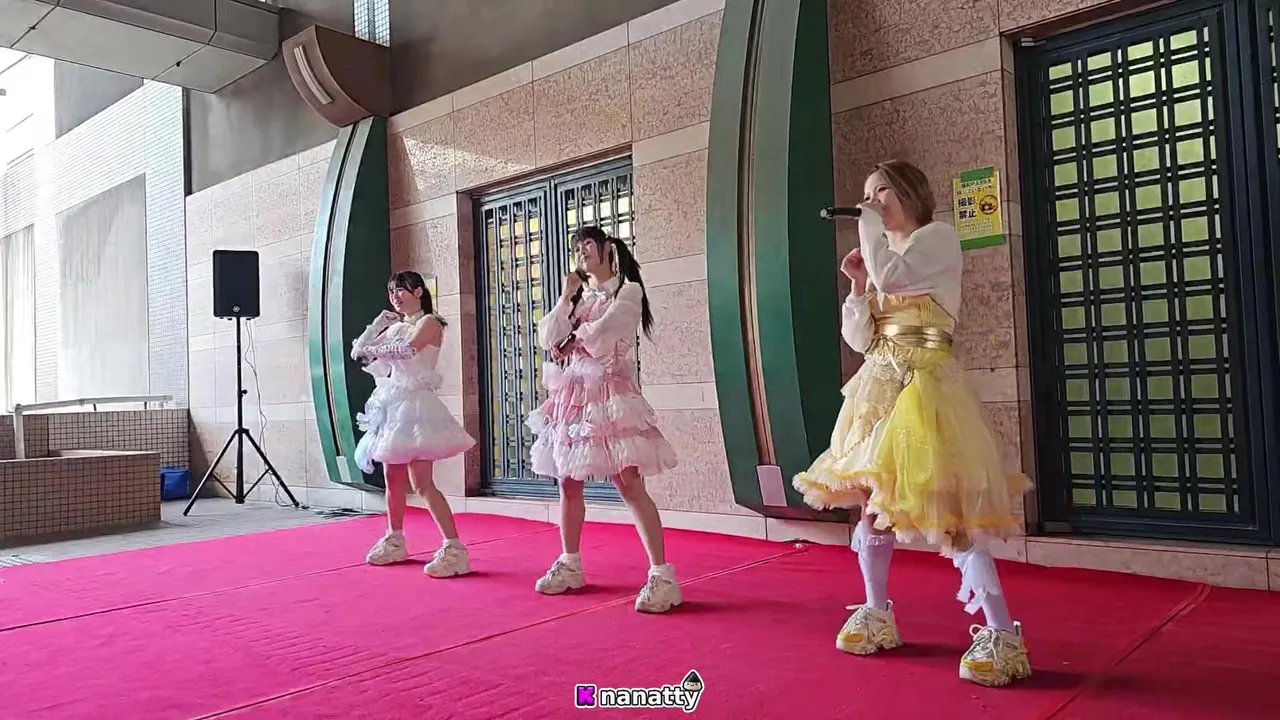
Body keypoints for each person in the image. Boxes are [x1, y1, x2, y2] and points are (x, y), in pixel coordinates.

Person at [793, 160, 1033, 687]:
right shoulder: (881, 256)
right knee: (871, 504)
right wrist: (857, 287)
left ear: (910, 191)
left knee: (951, 511)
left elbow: (894, 277)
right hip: (878, 388)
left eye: (882, 190)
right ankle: (877, 612)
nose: (873, 200)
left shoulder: (937, 238)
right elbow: (860, 338)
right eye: (867, 193)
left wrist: (869, 238)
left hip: (927, 388)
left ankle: (1002, 635)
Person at [526, 226, 681, 613]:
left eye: (587, 246)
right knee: (568, 480)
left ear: (607, 248)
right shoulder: (580, 298)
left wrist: (573, 338)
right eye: (577, 248)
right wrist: (565, 297)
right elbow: (549, 338)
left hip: (611, 395)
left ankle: (662, 575)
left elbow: (603, 335)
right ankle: (570, 563)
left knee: (629, 482)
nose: (581, 253)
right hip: (573, 397)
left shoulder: (628, 291)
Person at [351, 271, 477, 578]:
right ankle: (394, 539)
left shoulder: (430, 321)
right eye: (391, 291)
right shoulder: (395, 327)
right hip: (393, 403)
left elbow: (407, 350)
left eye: (400, 290)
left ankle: (454, 547)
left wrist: (374, 347)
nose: (395, 296)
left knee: (422, 483)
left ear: (418, 291)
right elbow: (360, 356)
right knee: (392, 478)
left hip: (417, 405)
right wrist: (375, 327)